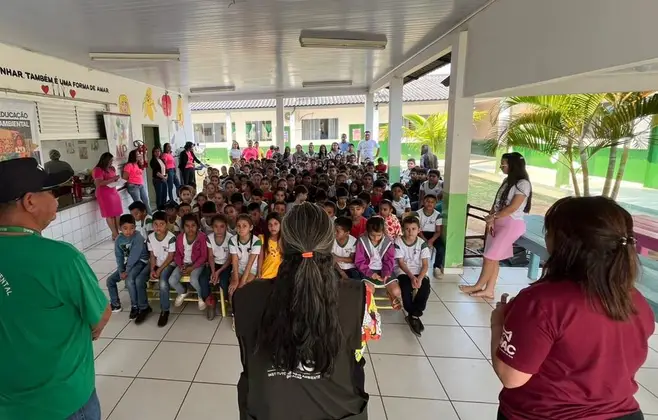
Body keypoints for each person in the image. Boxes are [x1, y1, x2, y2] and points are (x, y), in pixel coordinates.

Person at [491, 196, 655, 420]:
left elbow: (511, 377)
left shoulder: (542, 303)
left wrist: (498, 324)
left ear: (564, 242)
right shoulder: (634, 300)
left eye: (549, 231)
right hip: (623, 414)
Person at [233, 203, 376, 420]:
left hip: (267, 409)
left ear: (281, 245)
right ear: (329, 246)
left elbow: (248, 350)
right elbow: (358, 349)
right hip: (340, 411)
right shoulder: (361, 296)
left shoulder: (244, 297)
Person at [0, 157, 110, 420]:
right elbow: (100, 317)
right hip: (62, 401)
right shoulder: (61, 259)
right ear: (29, 201)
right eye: (52, 192)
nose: (57, 199)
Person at [459, 152, 532, 299]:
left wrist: (493, 217)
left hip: (511, 224)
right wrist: (491, 220)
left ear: (513, 165)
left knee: (489, 257)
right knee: (495, 258)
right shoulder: (507, 181)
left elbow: (512, 208)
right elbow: (496, 203)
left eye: (503, 163)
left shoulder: (523, 184)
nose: (501, 166)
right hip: (498, 223)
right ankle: (489, 290)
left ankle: (478, 286)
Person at [106, 214, 152, 323]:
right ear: (120, 228)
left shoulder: (138, 237)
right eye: (125, 228)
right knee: (110, 280)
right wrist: (121, 270)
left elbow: (134, 256)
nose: (129, 231)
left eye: (132, 228)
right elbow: (119, 256)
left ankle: (135, 306)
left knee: (130, 279)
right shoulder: (119, 239)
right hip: (129, 264)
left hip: (141, 261)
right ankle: (115, 304)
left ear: (135, 228)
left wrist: (126, 271)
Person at [395, 216, 431, 336]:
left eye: (413, 229)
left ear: (419, 230)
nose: (410, 232)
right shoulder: (398, 242)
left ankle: (414, 315)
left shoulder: (422, 244)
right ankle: (411, 313)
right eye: (407, 229)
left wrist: (420, 278)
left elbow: (425, 264)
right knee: (406, 288)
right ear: (402, 229)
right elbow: (400, 263)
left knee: (424, 288)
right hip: (404, 271)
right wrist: (411, 277)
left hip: (419, 271)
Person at [355, 216, 401, 310]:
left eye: (379, 235)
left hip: (384, 269)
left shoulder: (388, 242)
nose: (376, 238)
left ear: (383, 233)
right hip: (367, 270)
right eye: (372, 235)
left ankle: (391, 295)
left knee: (396, 291)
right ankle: (369, 308)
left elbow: (389, 260)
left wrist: (386, 273)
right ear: (367, 232)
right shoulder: (362, 241)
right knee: (368, 291)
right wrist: (371, 274)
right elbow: (359, 261)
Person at [169, 214, 210, 311]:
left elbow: (204, 256)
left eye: (193, 225)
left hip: (198, 264)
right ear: (183, 227)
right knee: (172, 280)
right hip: (183, 263)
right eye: (187, 226)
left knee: (194, 279)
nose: (190, 228)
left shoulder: (202, 237)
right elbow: (178, 255)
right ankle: (183, 291)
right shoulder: (179, 238)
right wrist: (181, 265)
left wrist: (192, 267)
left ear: (198, 226)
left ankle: (200, 296)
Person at [146, 211, 177, 327]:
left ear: (167, 224)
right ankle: (142, 307)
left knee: (163, 282)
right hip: (157, 264)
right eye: (156, 224)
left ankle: (165, 310)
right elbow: (152, 255)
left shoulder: (171, 238)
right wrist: (152, 269)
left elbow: (170, 257)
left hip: (169, 264)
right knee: (139, 278)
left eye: (161, 224)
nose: (158, 227)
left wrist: (159, 270)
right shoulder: (150, 237)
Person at [92, 152, 123, 240]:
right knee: (109, 214)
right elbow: (99, 183)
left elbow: (112, 180)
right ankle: (115, 234)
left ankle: (119, 232)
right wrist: (112, 179)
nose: (111, 162)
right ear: (105, 161)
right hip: (104, 194)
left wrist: (117, 180)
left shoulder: (112, 169)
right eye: (110, 161)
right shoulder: (98, 170)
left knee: (117, 213)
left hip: (113, 192)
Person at [207, 214, 234, 300]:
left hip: (227, 264)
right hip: (214, 263)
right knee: (203, 278)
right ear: (212, 227)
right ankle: (207, 298)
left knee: (223, 281)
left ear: (226, 226)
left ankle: (227, 299)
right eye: (215, 226)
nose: (219, 230)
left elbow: (230, 259)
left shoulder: (231, 238)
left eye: (222, 226)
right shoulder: (209, 238)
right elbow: (210, 256)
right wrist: (213, 271)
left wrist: (218, 272)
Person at [417, 194, 444, 278]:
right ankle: (417, 267)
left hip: (433, 235)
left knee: (441, 248)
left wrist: (431, 241)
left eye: (432, 202)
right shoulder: (418, 213)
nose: (429, 204)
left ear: (435, 204)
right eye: (427, 201)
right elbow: (417, 229)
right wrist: (425, 240)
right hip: (420, 234)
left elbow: (438, 231)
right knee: (418, 247)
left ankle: (437, 267)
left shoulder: (438, 215)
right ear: (423, 202)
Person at [258, 212, 282, 280]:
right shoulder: (262, 238)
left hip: (280, 277)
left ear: (281, 224)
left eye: (276, 224)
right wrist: (259, 274)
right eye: (270, 224)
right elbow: (260, 258)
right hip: (266, 275)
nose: (273, 227)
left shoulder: (284, 241)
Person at [149, 146, 168, 210]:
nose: (157, 153)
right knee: (159, 194)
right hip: (157, 180)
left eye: (158, 151)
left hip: (164, 178)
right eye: (156, 151)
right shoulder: (153, 161)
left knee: (164, 193)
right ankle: (159, 208)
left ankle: (164, 207)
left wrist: (166, 176)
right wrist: (163, 177)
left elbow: (166, 169)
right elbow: (156, 172)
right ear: (153, 153)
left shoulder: (161, 160)